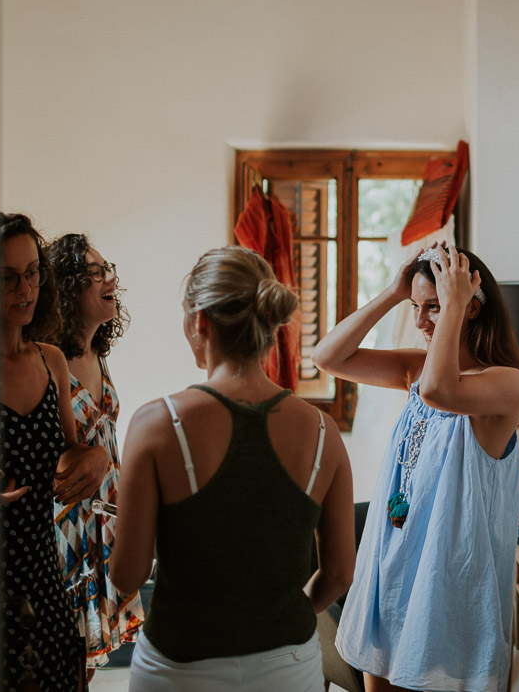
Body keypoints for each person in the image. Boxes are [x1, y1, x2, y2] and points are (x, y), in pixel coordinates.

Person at [111, 245, 355, 692]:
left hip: (180, 669)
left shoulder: (157, 424)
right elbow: (340, 573)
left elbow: (127, 574)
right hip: (288, 667)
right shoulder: (323, 431)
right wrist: (284, 616)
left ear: (199, 321)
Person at [311, 241, 519, 692]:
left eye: (434, 307)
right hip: (391, 562)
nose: (419, 320)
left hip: (445, 576)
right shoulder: (418, 370)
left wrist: (453, 301)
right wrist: (394, 292)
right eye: (416, 306)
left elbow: (437, 392)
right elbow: (327, 357)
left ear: (469, 308)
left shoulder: (506, 384)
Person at [0, 212, 109, 691]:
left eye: (32, 273)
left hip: (45, 578)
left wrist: (99, 457)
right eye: (8, 278)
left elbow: (71, 452)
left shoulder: (51, 359)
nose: (24, 289)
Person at [47, 233, 145, 675]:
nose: (111, 279)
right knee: (62, 660)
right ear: (68, 286)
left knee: (86, 666)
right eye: (96, 272)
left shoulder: (97, 354)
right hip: (65, 526)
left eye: (110, 270)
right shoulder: (47, 361)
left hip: (105, 523)